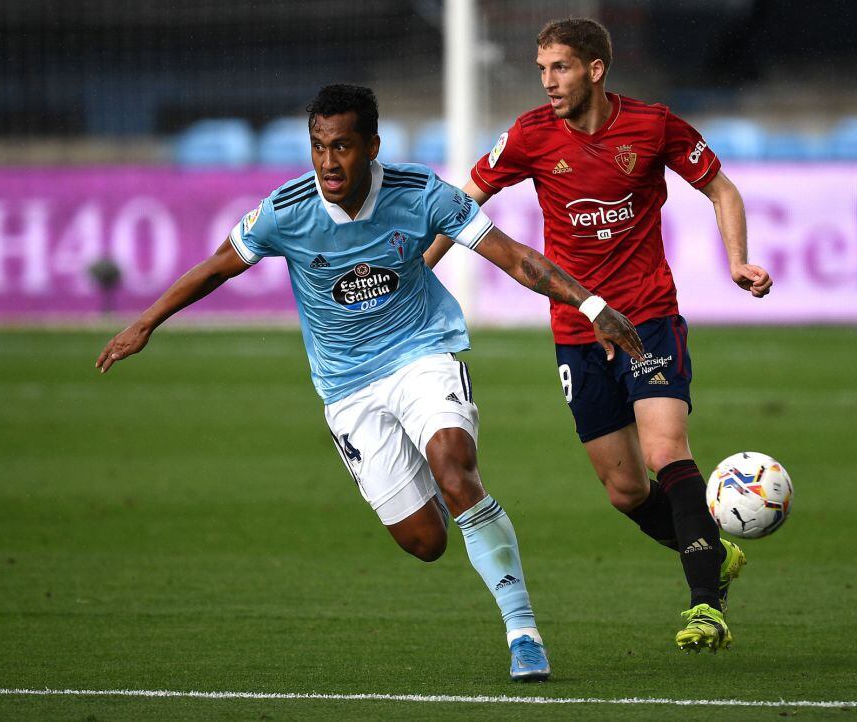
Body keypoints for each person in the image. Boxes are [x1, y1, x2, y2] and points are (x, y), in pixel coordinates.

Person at [96, 84, 644, 680]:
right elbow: (215, 268)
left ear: (372, 146)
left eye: (343, 147)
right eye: (318, 147)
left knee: (456, 468)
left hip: (421, 352)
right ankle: (449, 498)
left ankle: (522, 631)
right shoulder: (287, 210)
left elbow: (516, 258)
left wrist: (592, 307)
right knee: (426, 542)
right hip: (348, 386)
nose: (329, 163)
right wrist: (145, 322)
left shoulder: (420, 194)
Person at [424, 18, 773, 653]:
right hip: (576, 329)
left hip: (647, 317)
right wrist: (420, 269)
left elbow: (720, 188)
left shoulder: (653, 126)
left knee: (666, 451)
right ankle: (713, 554)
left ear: (595, 68)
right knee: (624, 489)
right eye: (541, 70)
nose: (548, 82)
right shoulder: (530, 136)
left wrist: (737, 260)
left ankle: (705, 606)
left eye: (559, 68)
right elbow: (460, 201)